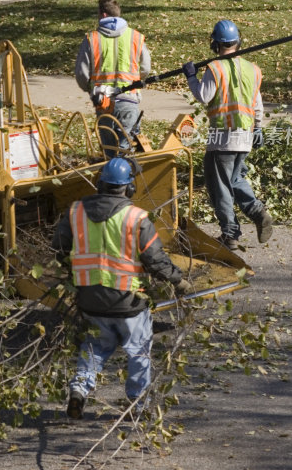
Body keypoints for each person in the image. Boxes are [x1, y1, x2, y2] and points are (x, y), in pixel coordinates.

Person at [52, 157, 192, 420]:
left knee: (94, 346)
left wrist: (74, 275)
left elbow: (59, 249)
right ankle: (136, 406)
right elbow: (155, 260)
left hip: (90, 298)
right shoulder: (136, 218)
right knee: (138, 351)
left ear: (99, 183)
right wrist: (177, 280)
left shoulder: (75, 212)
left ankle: (79, 391)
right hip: (128, 301)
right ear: (129, 188)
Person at [182, 19, 273, 250]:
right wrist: (258, 127)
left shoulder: (215, 68)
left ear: (215, 44)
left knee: (219, 185)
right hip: (245, 135)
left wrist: (191, 76)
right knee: (235, 179)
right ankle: (258, 212)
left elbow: (204, 95)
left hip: (221, 137)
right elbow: (258, 104)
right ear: (238, 41)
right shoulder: (252, 69)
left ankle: (230, 235)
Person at [75, 0, 151, 157]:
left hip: (104, 103)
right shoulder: (135, 36)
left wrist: (91, 89)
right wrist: (135, 80)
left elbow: (81, 74)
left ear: (103, 15)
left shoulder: (92, 38)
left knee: (109, 153)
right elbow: (146, 67)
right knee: (126, 152)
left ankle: (110, 180)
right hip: (129, 100)